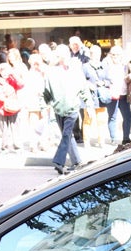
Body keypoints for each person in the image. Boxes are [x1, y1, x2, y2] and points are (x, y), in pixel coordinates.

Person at [43, 43, 88, 175]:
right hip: (58, 108)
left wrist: (88, 104)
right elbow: (46, 91)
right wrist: (44, 105)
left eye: (60, 55)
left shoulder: (74, 69)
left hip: (72, 107)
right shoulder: (52, 72)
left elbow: (83, 88)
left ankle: (59, 161)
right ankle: (77, 161)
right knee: (68, 136)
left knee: (66, 134)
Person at [82, 45, 111, 147]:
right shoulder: (85, 67)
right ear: (90, 55)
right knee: (87, 119)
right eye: (94, 54)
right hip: (88, 97)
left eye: (98, 54)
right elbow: (80, 80)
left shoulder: (104, 66)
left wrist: (103, 83)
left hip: (101, 97)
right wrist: (88, 85)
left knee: (102, 120)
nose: (97, 56)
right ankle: (86, 141)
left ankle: (101, 141)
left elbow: (109, 81)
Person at [0, 62, 23, 152]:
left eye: (6, 70)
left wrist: (14, 74)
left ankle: (17, 146)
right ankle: (5, 147)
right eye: (2, 71)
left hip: (13, 108)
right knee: (4, 129)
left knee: (15, 127)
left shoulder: (13, 80)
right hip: (1, 109)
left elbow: (21, 85)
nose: (5, 73)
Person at [104, 45, 129, 145]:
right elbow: (103, 79)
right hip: (112, 94)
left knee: (127, 116)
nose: (115, 56)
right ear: (110, 55)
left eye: (118, 54)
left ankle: (126, 138)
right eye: (113, 54)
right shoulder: (106, 65)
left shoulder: (125, 65)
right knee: (112, 116)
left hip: (123, 94)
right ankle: (113, 138)